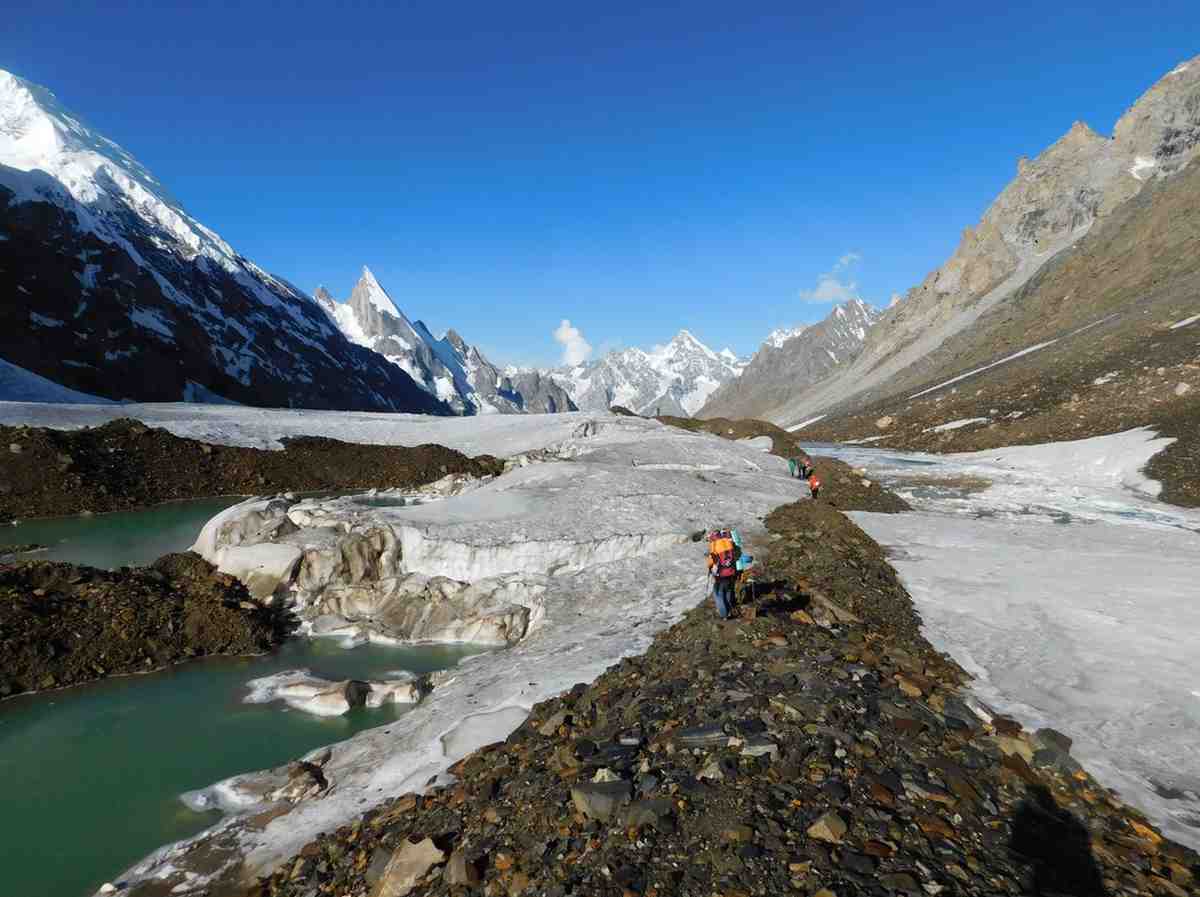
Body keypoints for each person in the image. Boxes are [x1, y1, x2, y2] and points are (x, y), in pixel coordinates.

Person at [707, 529, 739, 619]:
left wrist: (710, 567)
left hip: (721, 575)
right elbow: (737, 555)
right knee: (728, 590)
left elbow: (711, 562)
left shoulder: (714, 546)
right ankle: (731, 607)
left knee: (718, 594)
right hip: (732, 572)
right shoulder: (729, 543)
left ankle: (725, 614)